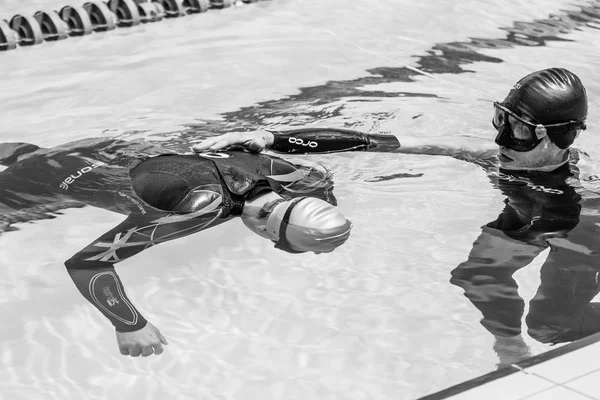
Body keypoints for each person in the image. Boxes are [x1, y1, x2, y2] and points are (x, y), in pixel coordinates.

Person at [193, 67, 600, 362]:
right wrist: (270, 138)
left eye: (521, 131)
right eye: (501, 120)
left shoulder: (589, 186)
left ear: (561, 135)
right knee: (477, 275)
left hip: (583, 231)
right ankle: (510, 348)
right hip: (526, 222)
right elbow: (373, 142)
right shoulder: (491, 157)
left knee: (551, 327)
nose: (501, 139)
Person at [0, 138, 352, 357]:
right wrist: (129, 324)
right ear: (265, 228)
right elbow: (87, 265)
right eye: (275, 240)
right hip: (39, 178)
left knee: (34, 155)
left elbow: (323, 184)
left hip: (95, 149)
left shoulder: (280, 171)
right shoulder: (195, 212)